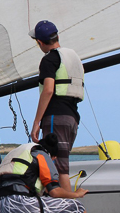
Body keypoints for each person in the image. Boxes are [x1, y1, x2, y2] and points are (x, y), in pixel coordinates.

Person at [29, 20, 84, 191]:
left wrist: (36, 122)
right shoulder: (73, 57)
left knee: (58, 168)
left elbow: (48, 90)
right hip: (72, 118)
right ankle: (64, 204)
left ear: (39, 42)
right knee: (60, 164)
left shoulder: (49, 60)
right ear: (57, 36)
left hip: (56, 116)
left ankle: (68, 207)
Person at [0, 133, 90, 213]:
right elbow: (55, 192)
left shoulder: (21, 152)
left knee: (55, 208)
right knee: (76, 207)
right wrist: (76, 194)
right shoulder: (42, 154)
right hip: (16, 207)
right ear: (53, 157)